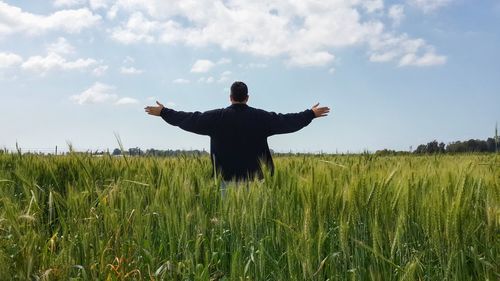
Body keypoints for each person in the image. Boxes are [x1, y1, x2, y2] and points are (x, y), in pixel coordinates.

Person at [145, 81, 330, 182]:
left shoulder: (215, 118)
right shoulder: (262, 117)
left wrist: (164, 112)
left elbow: (189, 119)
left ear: (230, 97)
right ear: (247, 97)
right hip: (257, 181)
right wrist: (310, 114)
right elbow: (288, 121)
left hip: (225, 181)